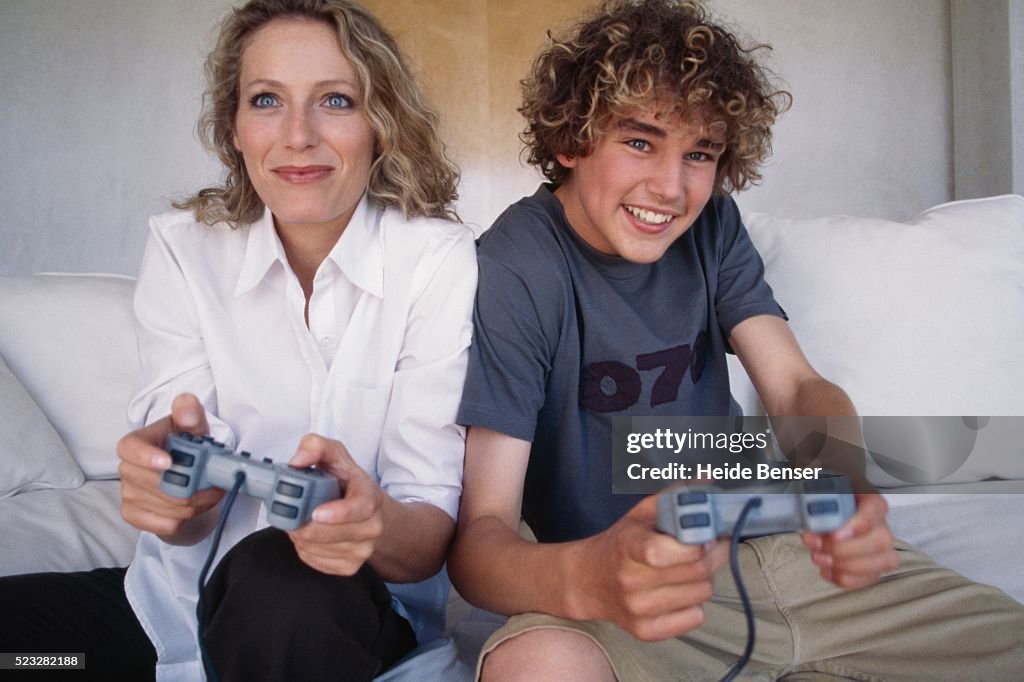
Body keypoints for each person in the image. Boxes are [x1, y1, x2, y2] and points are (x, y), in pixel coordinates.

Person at [449, 1, 1024, 680]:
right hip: (638, 591)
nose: (670, 188)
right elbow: (480, 542)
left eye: (700, 154)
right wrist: (589, 577)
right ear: (572, 139)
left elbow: (794, 385)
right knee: (538, 665)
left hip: (795, 558)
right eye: (640, 141)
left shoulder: (713, 225)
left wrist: (842, 480)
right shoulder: (519, 263)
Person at [0, 1, 476, 680]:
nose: (298, 135)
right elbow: (184, 507)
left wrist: (370, 521)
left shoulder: (437, 260)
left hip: (343, 618)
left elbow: (423, 542)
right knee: (24, 656)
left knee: (277, 575)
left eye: (335, 100)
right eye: (266, 101)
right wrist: (171, 495)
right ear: (235, 127)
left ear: (380, 123)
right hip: (173, 614)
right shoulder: (183, 247)